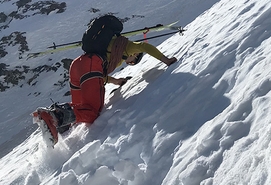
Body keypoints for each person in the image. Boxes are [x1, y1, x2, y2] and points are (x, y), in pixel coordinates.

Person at [34, 36, 177, 144]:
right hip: (90, 65)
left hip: (77, 66)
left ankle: (56, 122)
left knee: (80, 107)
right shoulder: (128, 47)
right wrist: (166, 60)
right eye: (134, 60)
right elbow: (145, 47)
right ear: (135, 54)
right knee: (92, 112)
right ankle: (55, 117)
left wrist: (116, 81)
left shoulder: (113, 51)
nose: (131, 62)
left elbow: (98, 77)